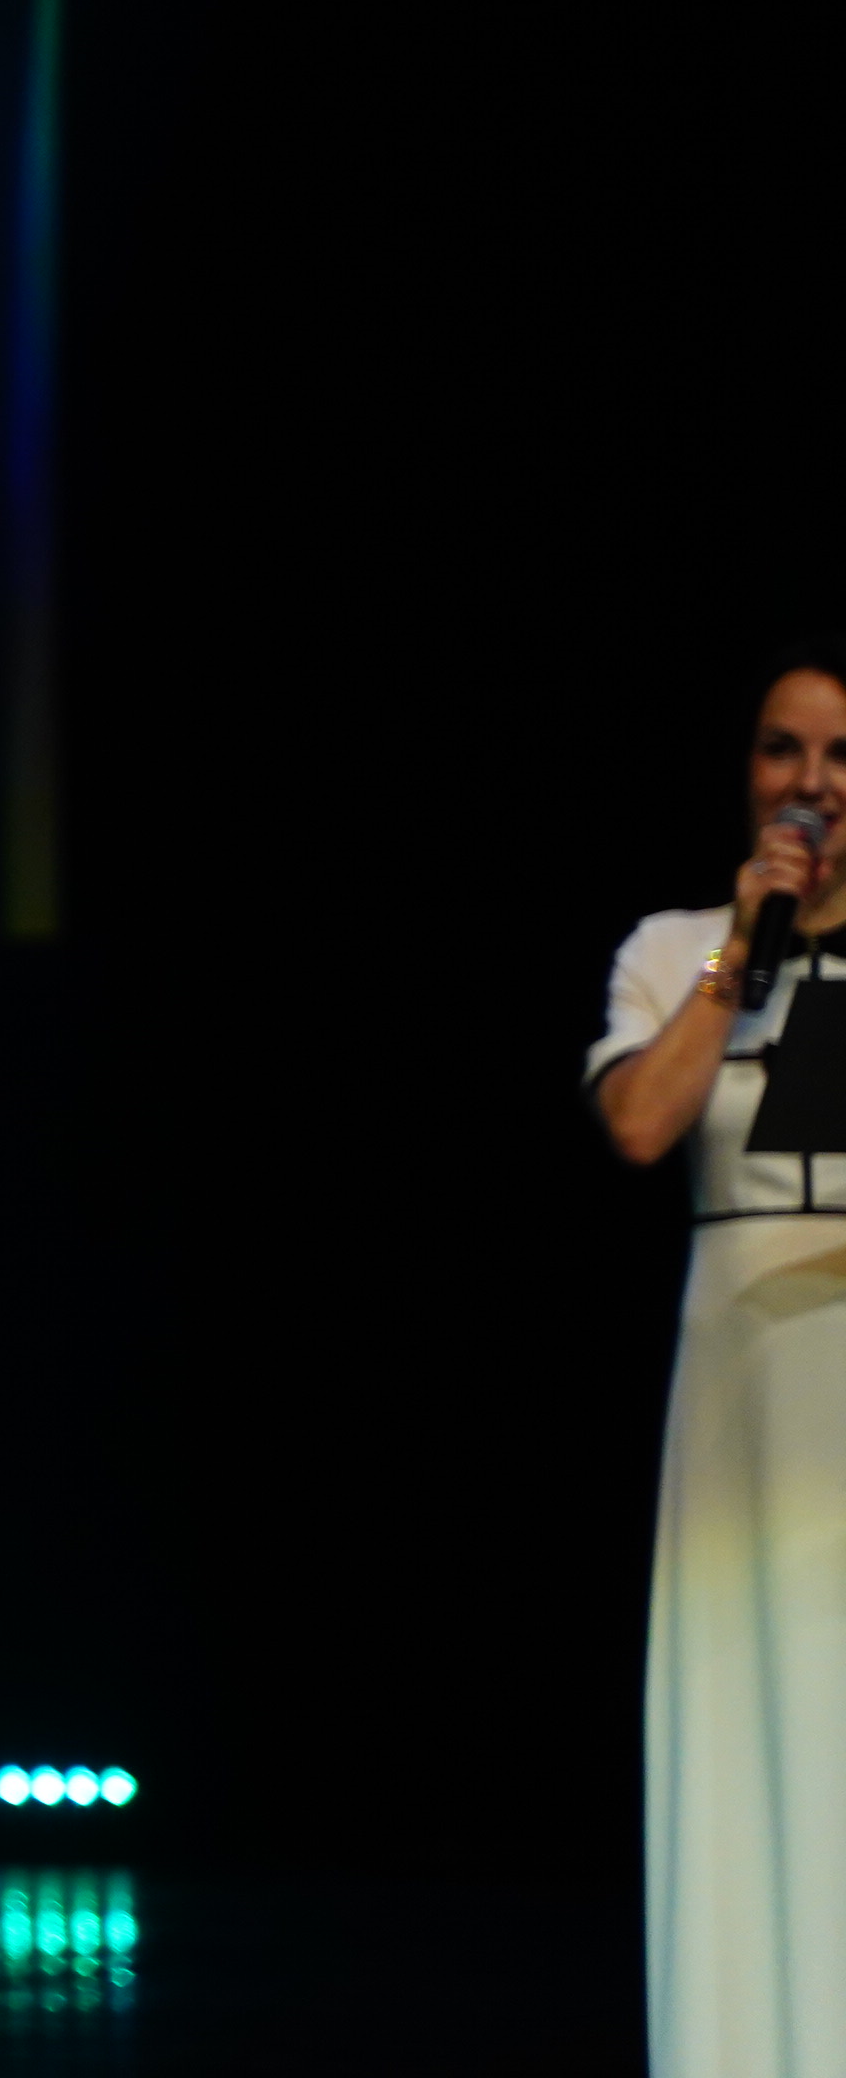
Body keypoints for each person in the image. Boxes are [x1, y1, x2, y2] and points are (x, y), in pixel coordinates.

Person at [590, 642, 846, 2078]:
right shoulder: (679, 947)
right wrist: (738, 947)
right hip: (740, 1391)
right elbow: (641, 1122)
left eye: (843, 755)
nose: (813, 782)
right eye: (782, 749)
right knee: (745, 1725)